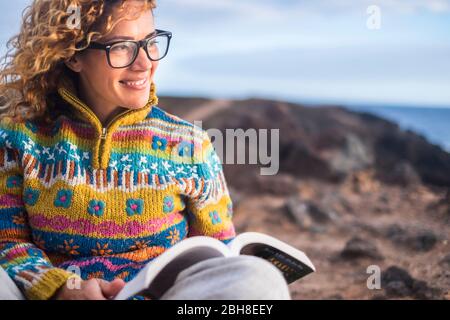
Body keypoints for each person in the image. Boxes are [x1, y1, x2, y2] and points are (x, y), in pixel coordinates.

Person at [0, 0, 291, 300]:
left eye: (150, 43)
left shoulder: (191, 144)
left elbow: (219, 252)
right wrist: (62, 288)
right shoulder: (19, 137)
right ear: (74, 56)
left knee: (259, 279)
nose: (145, 63)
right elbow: (6, 242)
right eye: (123, 46)